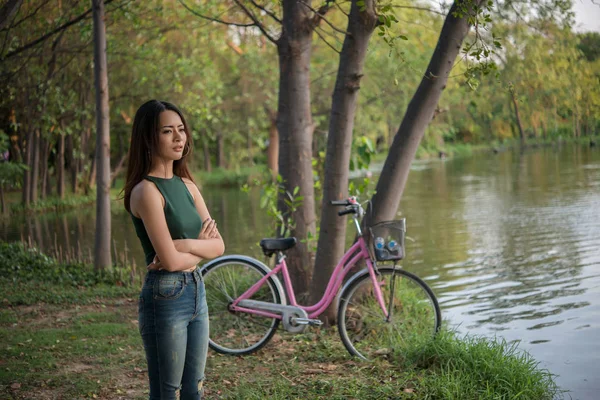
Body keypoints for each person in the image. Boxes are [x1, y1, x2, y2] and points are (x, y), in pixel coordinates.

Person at [123, 99, 225, 399]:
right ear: (148, 138)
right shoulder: (146, 191)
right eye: (168, 131)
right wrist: (196, 249)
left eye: (181, 129)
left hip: (197, 290)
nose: (179, 137)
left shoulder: (188, 186)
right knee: (168, 391)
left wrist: (183, 244)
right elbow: (167, 261)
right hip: (165, 296)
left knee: (195, 388)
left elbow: (219, 246)